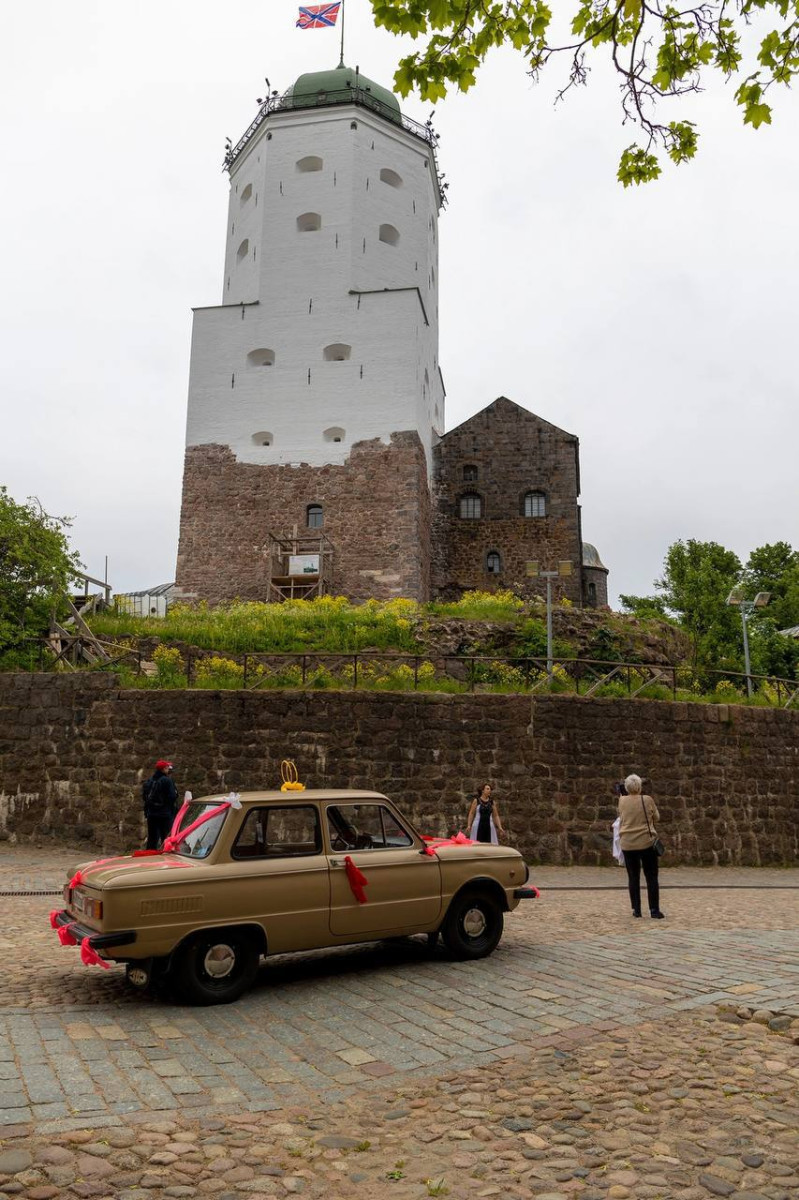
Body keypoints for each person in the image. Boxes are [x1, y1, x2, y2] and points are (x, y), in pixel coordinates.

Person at [617, 773, 664, 919]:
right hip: (646, 842)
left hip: (628, 843)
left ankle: (636, 909)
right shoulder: (647, 799)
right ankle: (654, 910)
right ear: (640, 786)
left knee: (633, 877)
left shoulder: (622, 801)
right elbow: (657, 817)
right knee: (651, 877)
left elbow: (622, 814)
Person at [143, 759, 179, 850]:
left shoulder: (149, 781)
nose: (168, 769)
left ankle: (149, 859)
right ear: (163, 769)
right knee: (166, 839)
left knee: (152, 839)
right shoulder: (167, 780)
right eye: (167, 768)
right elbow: (173, 796)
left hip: (151, 814)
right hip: (165, 815)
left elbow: (145, 797)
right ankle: (165, 860)